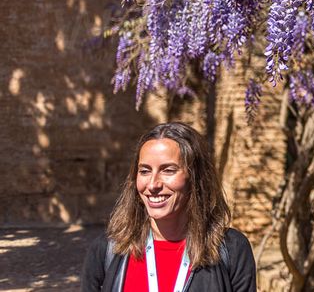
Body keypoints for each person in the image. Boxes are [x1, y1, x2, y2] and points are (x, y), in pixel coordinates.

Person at [81, 122, 257, 292]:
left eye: (168, 170)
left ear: (195, 178)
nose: (152, 184)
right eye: (144, 171)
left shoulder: (231, 249)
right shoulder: (107, 251)